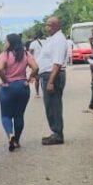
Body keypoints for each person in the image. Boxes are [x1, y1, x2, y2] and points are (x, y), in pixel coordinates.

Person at [0, 33, 39, 151]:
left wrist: (5, 81)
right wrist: (29, 79)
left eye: (6, 41)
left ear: (10, 43)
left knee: (6, 115)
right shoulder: (26, 54)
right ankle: (17, 141)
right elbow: (35, 68)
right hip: (22, 87)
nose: (5, 43)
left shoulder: (5, 55)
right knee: (19, 115)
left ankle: (10, 135)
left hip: (8, 88)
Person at [37, 17, 71, 145]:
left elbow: (57, 63)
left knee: (53, 105)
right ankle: (55, 132)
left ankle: (57, 134)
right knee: (50, 105)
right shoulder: (53, 39)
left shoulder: (59, 40)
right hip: (48, 75)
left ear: (56, 26)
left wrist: (51, 81)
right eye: (46, 25)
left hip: (53, 76)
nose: (47, 28)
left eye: (50, 25)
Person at [28, 32, 44, 97]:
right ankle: (45, 92)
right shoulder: (47, 42)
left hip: (36, 63)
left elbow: (30, 53)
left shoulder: (33, 43)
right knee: (45, 78)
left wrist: (30, 63)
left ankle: (37, 93)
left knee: (37, 79)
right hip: (45, 63)